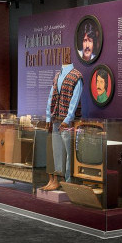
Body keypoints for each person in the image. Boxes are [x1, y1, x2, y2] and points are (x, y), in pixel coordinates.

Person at [41, 63, 82, 191]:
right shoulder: (57, 76)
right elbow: (51, 97)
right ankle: (58, 179)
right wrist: (48, 117)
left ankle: (68, 182)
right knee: (57, 152)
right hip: (56, 120)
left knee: (70, 154)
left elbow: (75, 99)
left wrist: (68, 118)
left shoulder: (77, 76)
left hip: (68, 123)